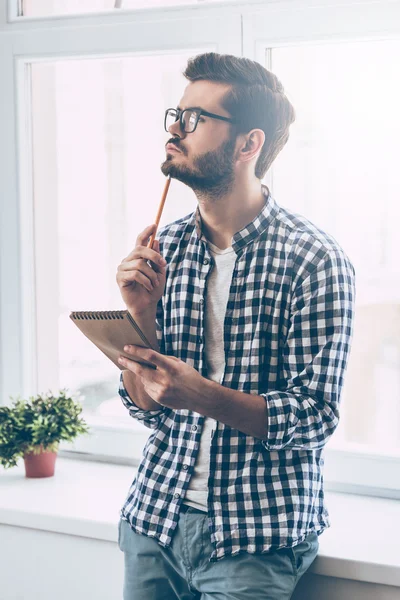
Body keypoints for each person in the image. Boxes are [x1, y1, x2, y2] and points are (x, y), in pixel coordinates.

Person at [115, 52, 355, 600]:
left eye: (195, 119)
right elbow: (143, 405)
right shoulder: (165, 247)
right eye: (175, 114)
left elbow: (314, 417)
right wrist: (139, 315)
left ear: (249, 144)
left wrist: (201, 395)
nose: (175, 129)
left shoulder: (313, 258)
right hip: (153, 520)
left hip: (256, 539)